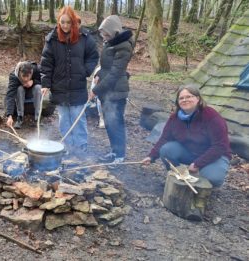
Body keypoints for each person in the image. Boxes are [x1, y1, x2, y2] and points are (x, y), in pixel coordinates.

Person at [142, 86, 232, 187]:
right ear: (178, 102)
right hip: (190, 152)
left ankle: (204, 188)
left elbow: (220, 146)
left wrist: (198, 164)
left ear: (198, 99)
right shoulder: (174, 118)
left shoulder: (211, 116)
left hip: (215, 155)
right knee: (167, 149)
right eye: (181, 98)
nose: (185, 100)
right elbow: (165, 139)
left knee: (212, 178)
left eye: (189, 96)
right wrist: (151, 156)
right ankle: (179, 178)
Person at [40, 6, 99, 154]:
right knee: (64, 119)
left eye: (68, 22)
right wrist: (45, 83)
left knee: (78, 117)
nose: (65, 26)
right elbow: (47, 62)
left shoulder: (84, 37)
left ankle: (81, 145)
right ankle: (68, 145)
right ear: (58, 22)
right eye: (62, 22)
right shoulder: (52, 39)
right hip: (58, 86)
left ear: (73, 22)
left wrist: (85, 71)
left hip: (77, 85)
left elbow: (93, 56)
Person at [91, 15, 134, 164]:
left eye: (106, 33)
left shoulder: (124, 46)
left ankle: (120, 156)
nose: (104, 36)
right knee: (109, 123)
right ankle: (113, 152)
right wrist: (97, 74)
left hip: (116, 91)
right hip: (108, 91)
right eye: (103, 33)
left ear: (114, 31)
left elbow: (115, 73)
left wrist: (96, 90)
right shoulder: (110, 42)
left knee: (116, 124)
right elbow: (105, 66)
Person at [5, 61, 42, 129]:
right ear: (19, 72)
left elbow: (45, 82)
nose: (25, 79)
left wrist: (34, 82)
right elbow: (10, 95)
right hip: (20, 96)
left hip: (33, 94)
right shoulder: (14, 76)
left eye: (27, 76)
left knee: (38, 87)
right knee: (19, 89)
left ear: (31, 72)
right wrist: (9, 115)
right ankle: (20, 117)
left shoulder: (37, 70)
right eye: (23, 76)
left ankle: (37, 118)